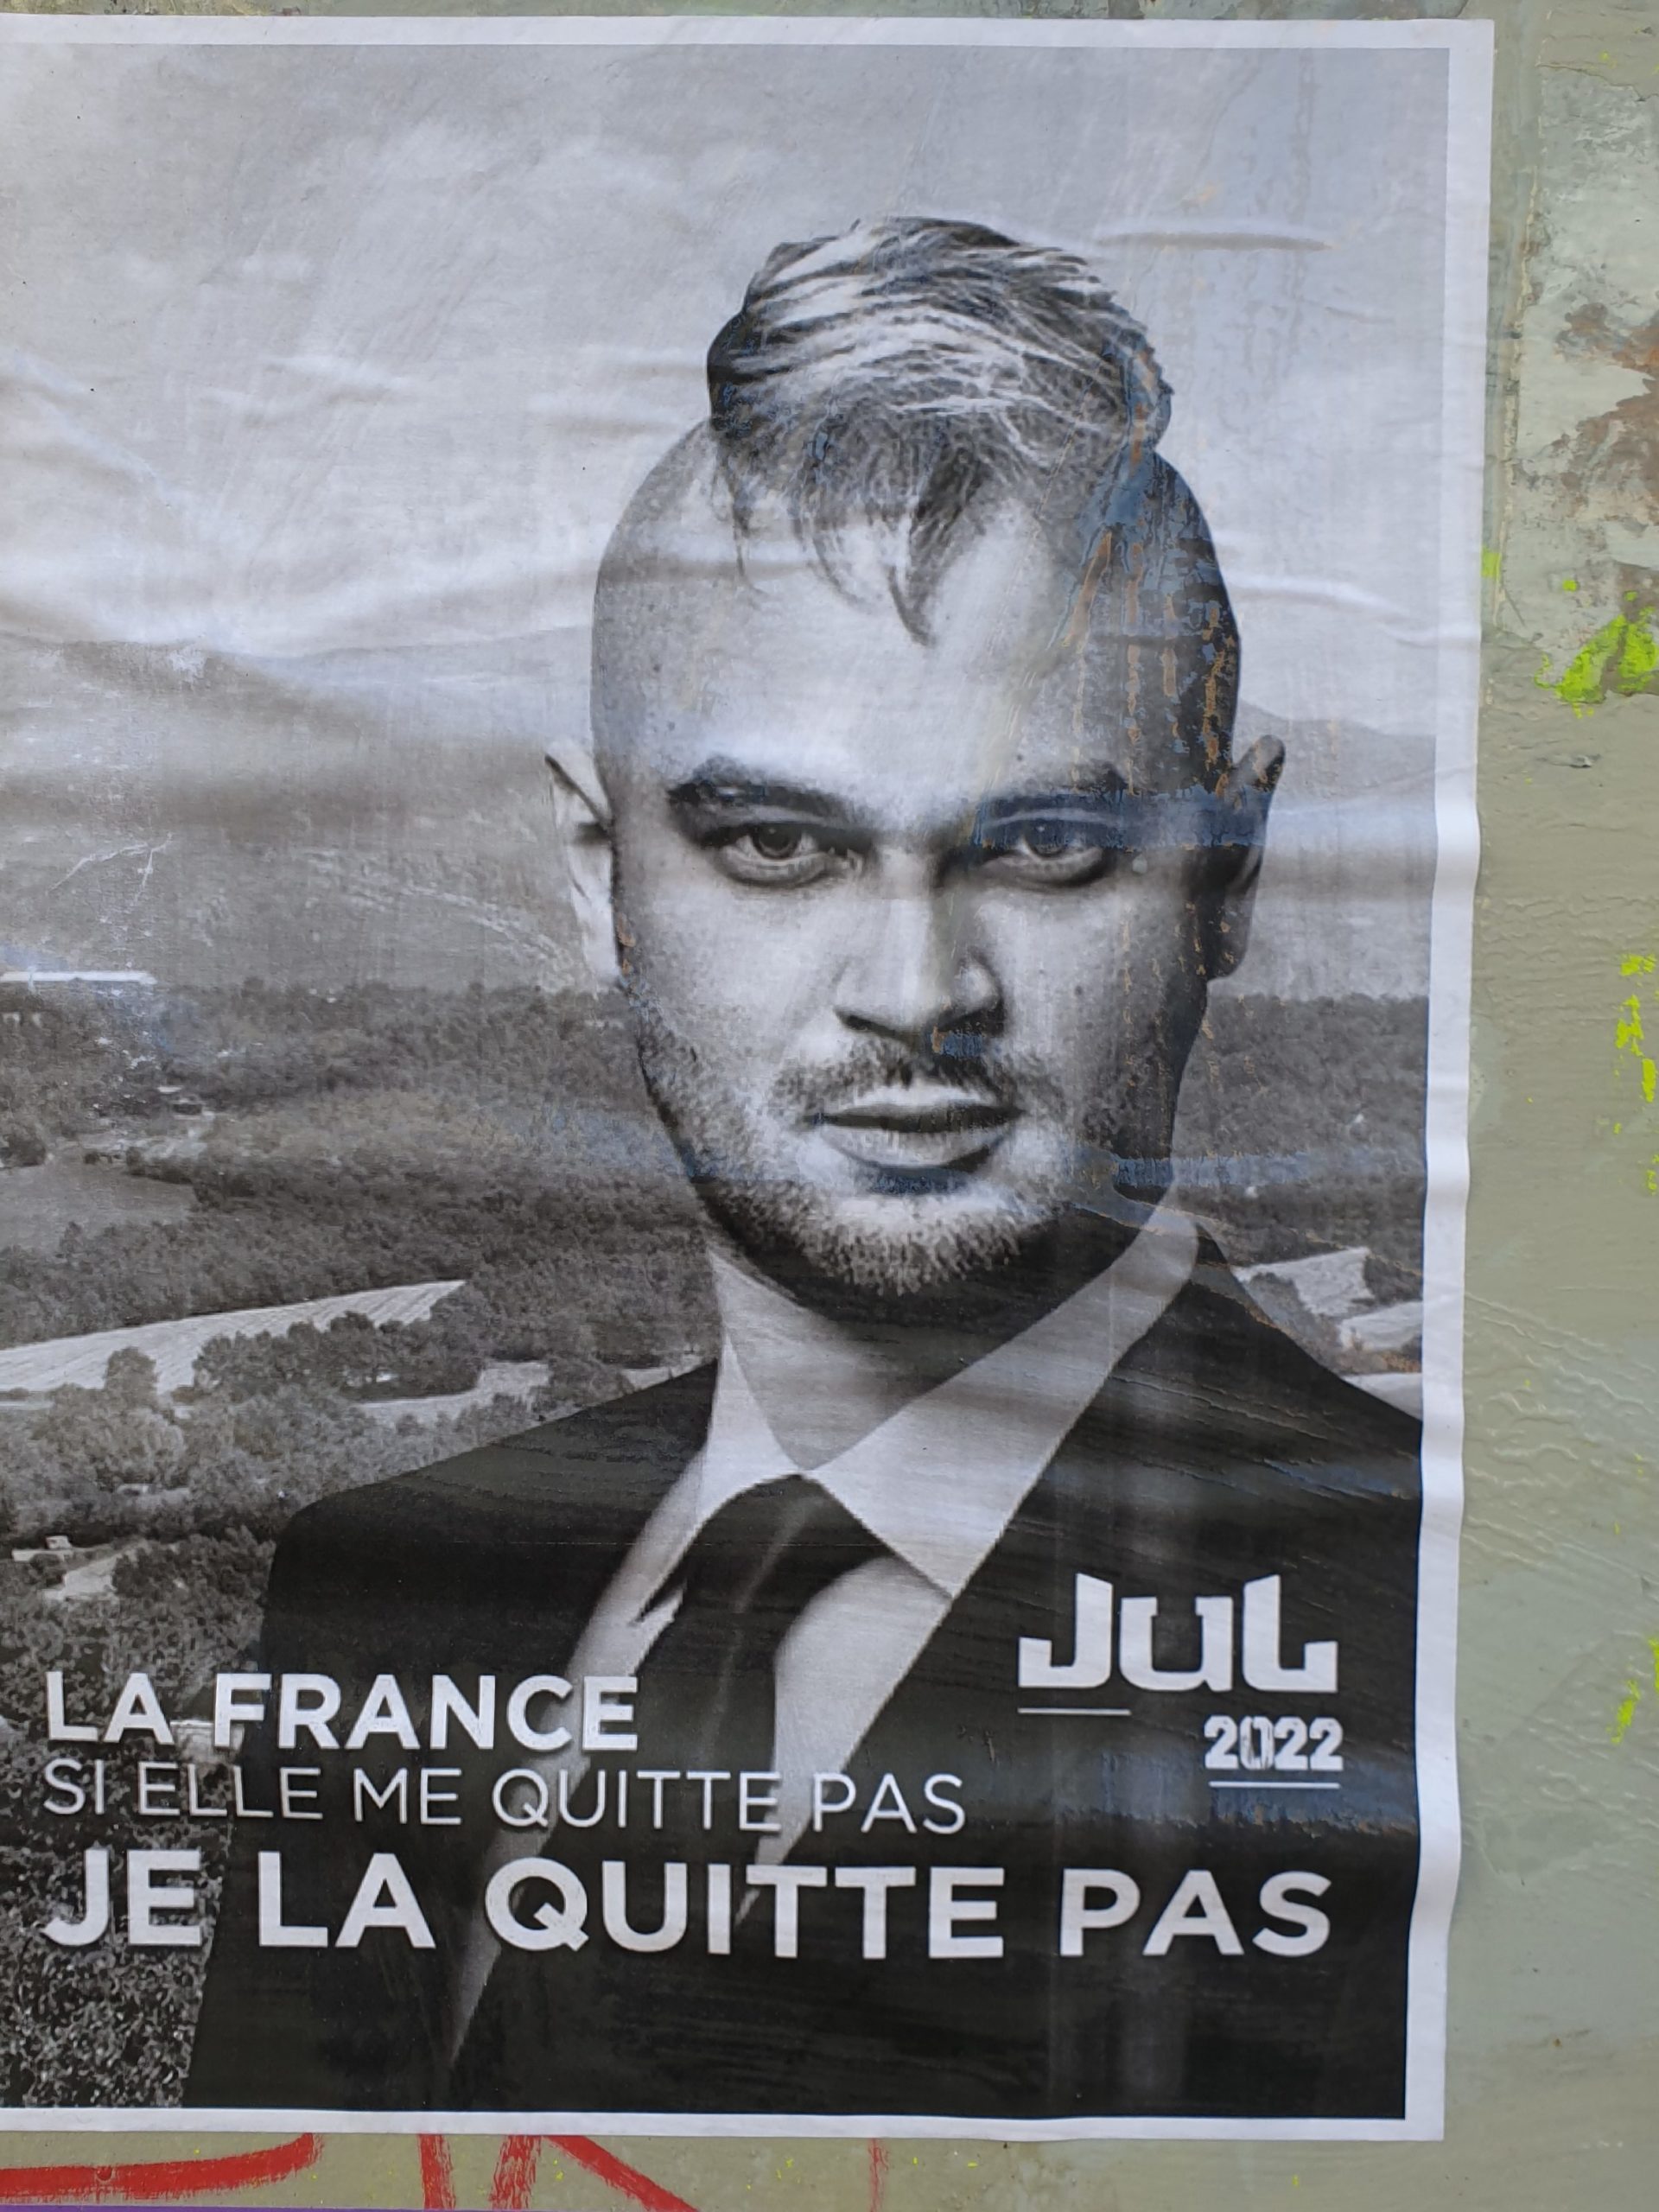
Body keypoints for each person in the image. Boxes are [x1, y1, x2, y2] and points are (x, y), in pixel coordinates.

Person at [188, 218, 1421, 2123]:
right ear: (602, 881)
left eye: (1049, 846)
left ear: (1229, 870)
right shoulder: (369, 1583)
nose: (918, 990)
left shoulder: (1452, 1617)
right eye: (773, 843)